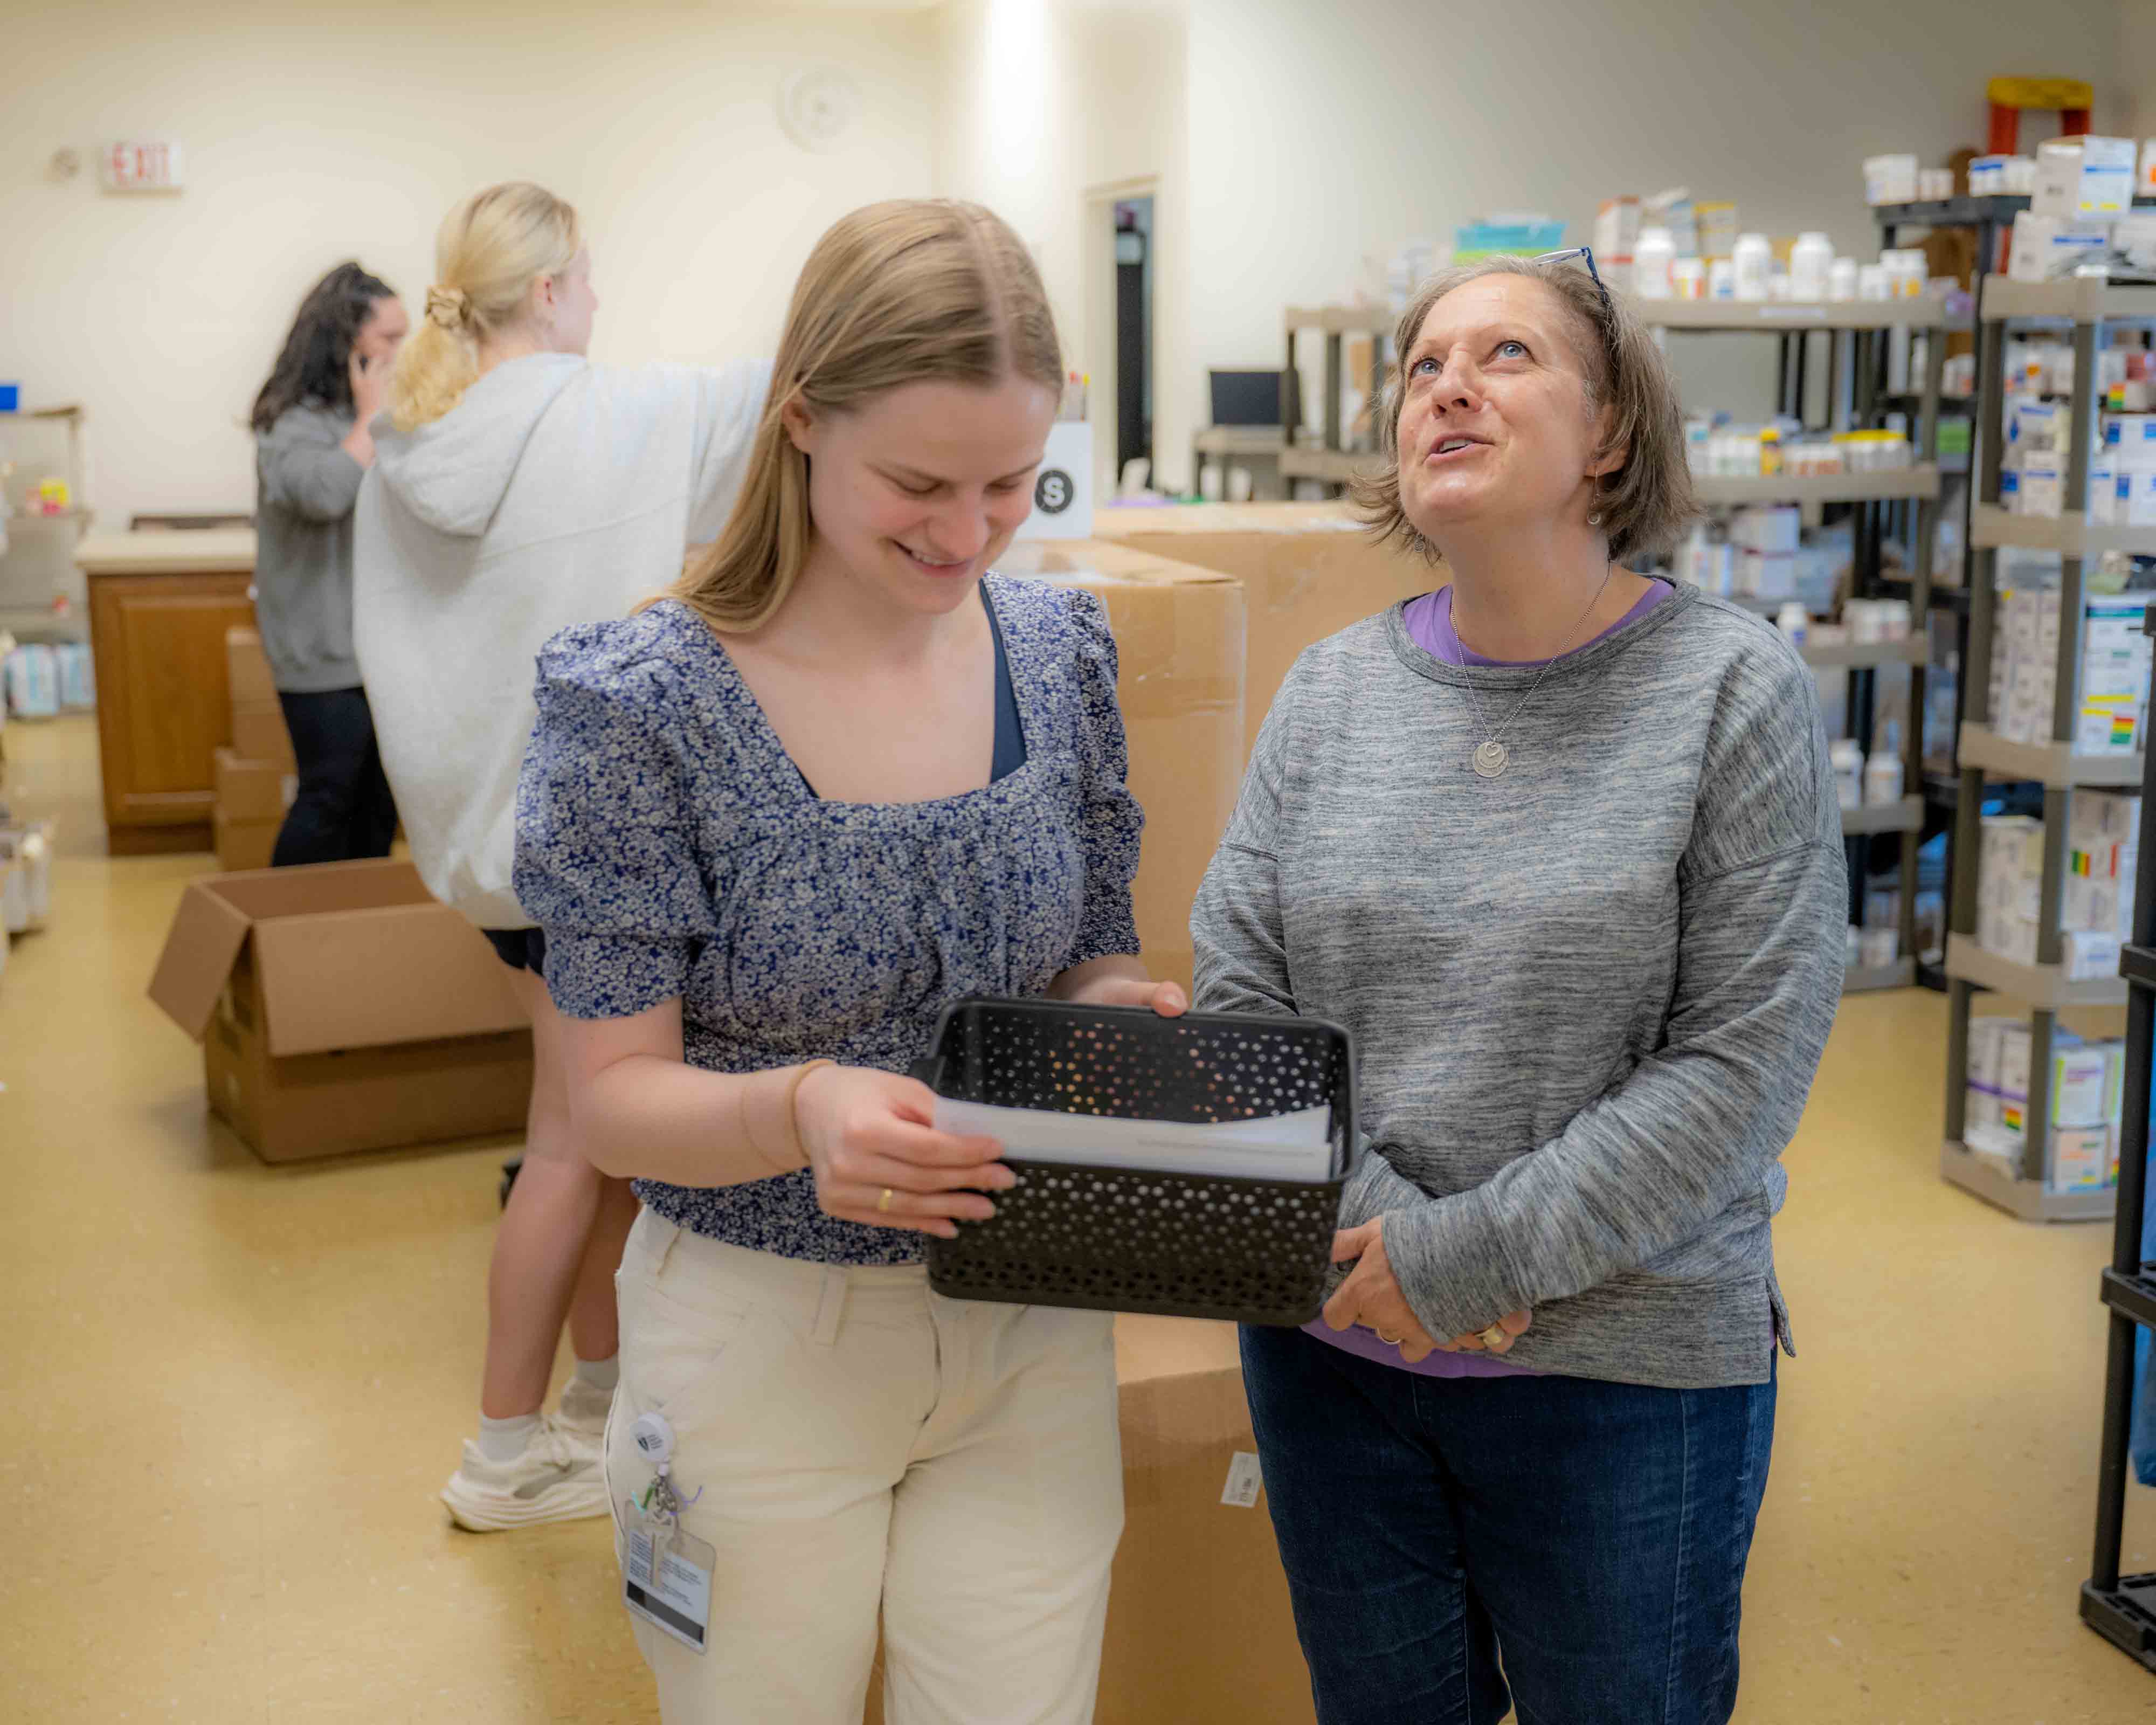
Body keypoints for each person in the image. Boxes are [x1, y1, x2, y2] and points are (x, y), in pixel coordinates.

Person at [512, 198, 1184, 1724]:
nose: (966, 533)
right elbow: (611, 1099)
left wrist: (1114, 1016)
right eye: (919, 484)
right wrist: (802, 1106)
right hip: (758, 1338)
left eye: (1011, 482)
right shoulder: (646, 705)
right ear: (802, 421)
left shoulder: (1059, 659)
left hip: (1028, 1319)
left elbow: (1089, 949)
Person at [1191, 251, 1846, 1725]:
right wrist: (1384, 1247)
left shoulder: (1730, 693)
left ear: (1611, 431)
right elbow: (1241, 1004)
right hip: (1334, 1357)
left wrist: (1460, 1262)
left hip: (1624, 1380)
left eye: (1506, 357)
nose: (1450, 388)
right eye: (1426, 366)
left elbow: (1739, 1065)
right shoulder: (1330, 693)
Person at [352, 182, 769, 1531]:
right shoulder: (609, 413)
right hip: (579, 854)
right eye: (585, 278)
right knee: (573, 1142)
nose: (595, 301)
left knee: (597, 1127)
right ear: (550, 291)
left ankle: (595, 1401)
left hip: (488, 851)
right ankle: (498, 1454)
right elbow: (784, 389)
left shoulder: (414, 440)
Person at [250, 261, 408, 866]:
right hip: (320, 651)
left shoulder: (373, 419)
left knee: (379, 802)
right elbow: (322, 494)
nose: (402, 350)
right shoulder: (290, 422)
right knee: (329, 795)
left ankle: (349, 933)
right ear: (345, 341)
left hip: (376, 646)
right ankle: (284, 934)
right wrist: (372, 417)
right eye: (389, 338)